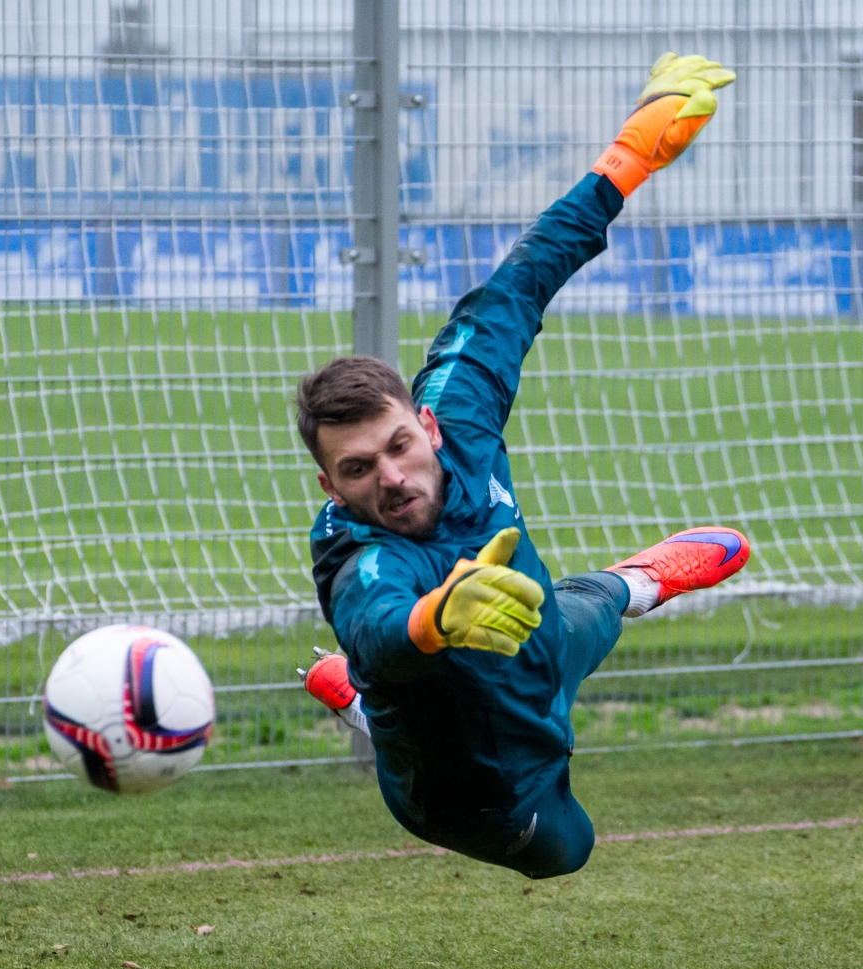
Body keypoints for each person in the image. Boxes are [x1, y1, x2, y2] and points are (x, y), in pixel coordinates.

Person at [294, 54, 748, 879]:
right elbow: (375, 625)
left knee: (586, 607)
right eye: (357, 471)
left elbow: (520, 282)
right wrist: (433, 621)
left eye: (398, 446)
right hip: (475, 784)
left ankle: (637, 580)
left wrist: (629, 157)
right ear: (331, 488)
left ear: (425, 423)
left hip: (538, 639)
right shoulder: (357, 556)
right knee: (569, 852)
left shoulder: (457, 407)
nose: (391, 478)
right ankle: (363, 703)